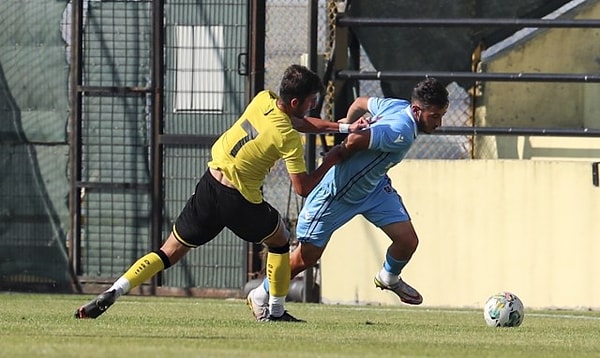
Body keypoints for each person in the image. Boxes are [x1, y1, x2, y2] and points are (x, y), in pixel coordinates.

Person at [74, 64, 368, 322]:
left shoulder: (262, 100)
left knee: (168, 251)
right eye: (310, 102)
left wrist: (343, 125)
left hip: (210, 184)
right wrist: (331, 159)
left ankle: (118, 288)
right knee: (281, 240)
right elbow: (302, 188)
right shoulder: (288, 139)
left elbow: (299, 121)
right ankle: (274, 311)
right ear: (295, 101)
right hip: (238, 200)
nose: (312, 106)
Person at [247, 77, 449, 320]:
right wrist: (341, 150)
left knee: (407, 241)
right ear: (417, 110)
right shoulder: (402, 131)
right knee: (304, 258)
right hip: (339, 192)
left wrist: (347, 121)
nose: (439, 122)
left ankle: (388, 278)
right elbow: (356, 140)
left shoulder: (396, 106)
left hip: (373, 190)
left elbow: (360, 102)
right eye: (435, 116)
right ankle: (261, 294)